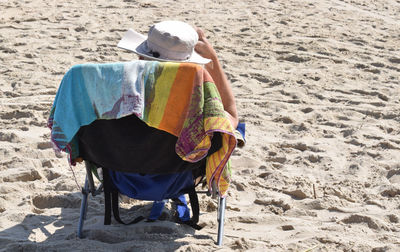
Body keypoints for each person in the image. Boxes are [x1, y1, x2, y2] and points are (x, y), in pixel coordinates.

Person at [117, 20, 238, 129]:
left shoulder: (116, 96)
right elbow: (231, 117)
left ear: (140, 57)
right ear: (189, 65)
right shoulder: (196, 106)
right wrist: (213, 58)